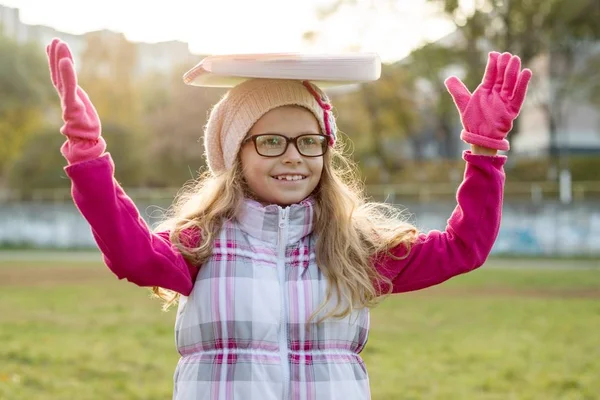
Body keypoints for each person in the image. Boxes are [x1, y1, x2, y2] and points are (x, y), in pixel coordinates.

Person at [46, 38, 531, 399]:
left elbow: (464, 248)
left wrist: (484, 153)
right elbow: (131, 254)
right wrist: (90, 158)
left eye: (309, 141)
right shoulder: (203, 241)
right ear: (236, 154)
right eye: (271, 141)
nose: (294, 156)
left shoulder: (352, 249)